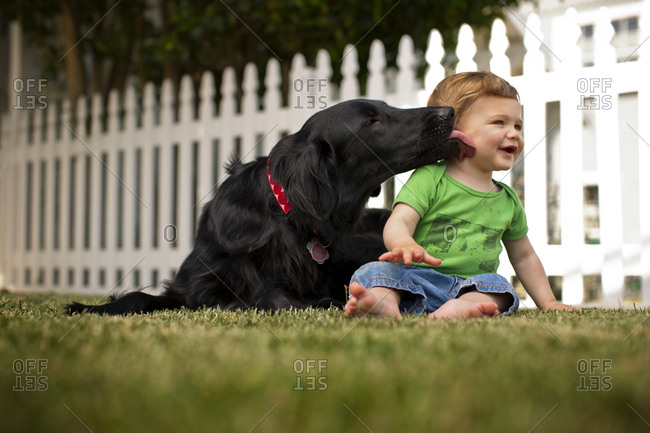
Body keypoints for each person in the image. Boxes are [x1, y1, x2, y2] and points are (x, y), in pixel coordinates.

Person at [344, 71, 575, 320]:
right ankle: (383, 304)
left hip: (471, 286)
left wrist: (548, 301)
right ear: (455, 129)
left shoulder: (508, 200)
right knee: (374, 272)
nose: (514, 134)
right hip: (414, 280)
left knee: (500, 287)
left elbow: (525, 256)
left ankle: (460, 308)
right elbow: (399, 221)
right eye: (500, 123)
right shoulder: (430, 177)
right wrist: (403, 243)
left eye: (518, 125)